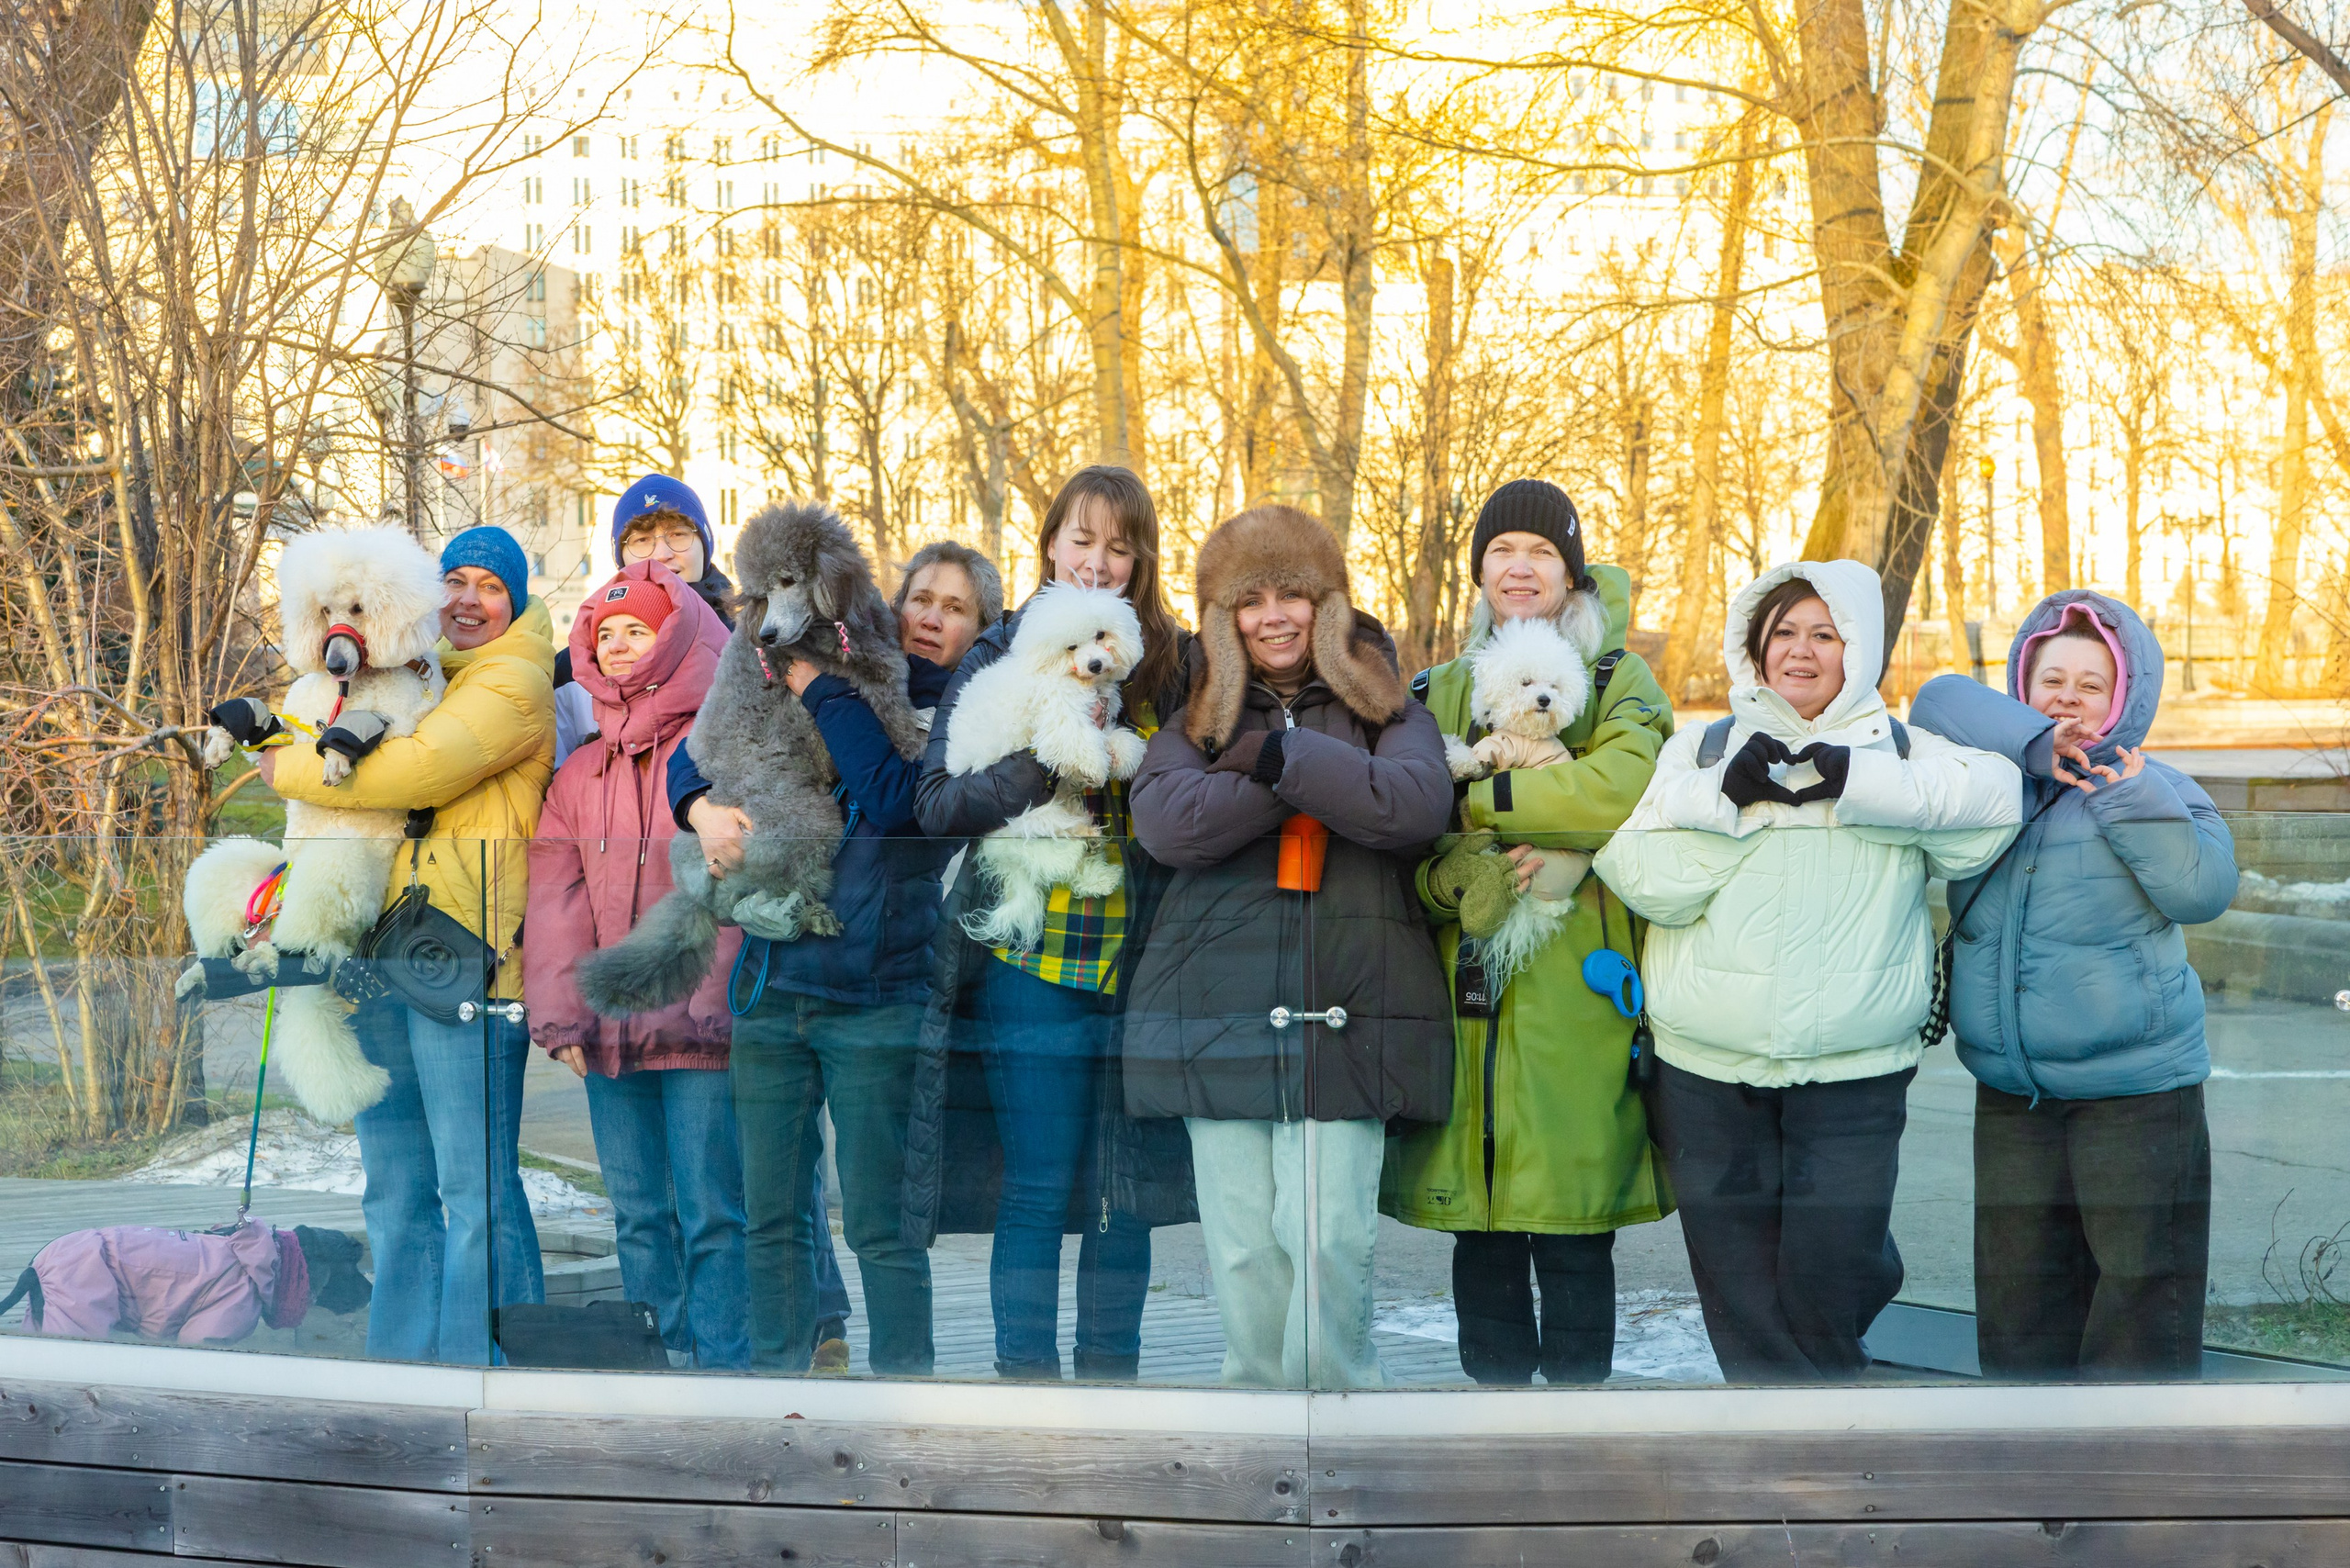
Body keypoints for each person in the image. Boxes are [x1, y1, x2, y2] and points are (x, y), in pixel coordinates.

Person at [1594, 561, 2020, 1382]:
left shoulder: (1902, 752)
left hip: (1855, 1070)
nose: (1801, 650)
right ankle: (1798, 1434)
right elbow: (1643, 880)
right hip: (1707, 1069)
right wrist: (1734, 805)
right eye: (1783, 632)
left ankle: (1822, 1414)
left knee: (1834, 1266)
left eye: (1825, 634)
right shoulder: (1701, 750)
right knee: (1740, 1287)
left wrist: (1857, 784)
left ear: (1856, 650)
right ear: (1754, 649)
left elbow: (1996, 809)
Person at [1124, 504, 1455, 1388]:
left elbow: (1417, 805)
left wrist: (1277, 759)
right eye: (1250, 600)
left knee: (1328, 1235)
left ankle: (1345, 1410)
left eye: (1293, 595)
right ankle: (1255, 1416)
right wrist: (1309, 775)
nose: (1273, 617)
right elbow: (1169, 824)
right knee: (1242, 1248)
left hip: (1347, 1012)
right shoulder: (1194, 717)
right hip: (1216, 1012)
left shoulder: (1387, 705)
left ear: (1329, 603)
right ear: (1222, 619)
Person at [668, 537, 1001, 1375]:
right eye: (920, 598)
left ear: (980, 628)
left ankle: (903, 1393)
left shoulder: (967, 717)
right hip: (774, 986)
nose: (931, 617)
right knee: (771, 1216)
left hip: (877, 999)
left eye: (955, 608)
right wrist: (699, 809)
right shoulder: (832, 669)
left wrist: (820, 689)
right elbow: (697, 748)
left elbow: (892, 801)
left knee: (882, 1224)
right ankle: (779, 1392)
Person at [1381, 479, 1674, 1385]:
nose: (1520, 566)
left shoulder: (1617, 680)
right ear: (1479, 570)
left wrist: (1478, 799)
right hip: (1465, 1000)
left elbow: (1614, 792)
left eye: (1542, 552)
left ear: (1570, 573)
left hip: (1577, 1002)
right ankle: (1493, 1417)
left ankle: (1578, 1429)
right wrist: (1447, 880)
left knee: (1575, 1226)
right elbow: (1402, 831)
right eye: (1502, 549)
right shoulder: (1435, 687)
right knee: (1481, 1232)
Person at [910, 466, 1196, 1382]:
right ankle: (1026, 1387)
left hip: (1142, 957)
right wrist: (1043, 763)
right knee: (1036, 1179)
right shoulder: (997, 651)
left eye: (1120, 546)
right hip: (1031, 952)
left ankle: (1113, 1380)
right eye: (1082, 539)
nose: (1098, 561)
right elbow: (934, 803)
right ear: (1048, 545)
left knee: (1124, 1194)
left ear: (1141, 561)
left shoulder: (1170, 663)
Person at [1908, 592, 2236, 1380]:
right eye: (2051, 680)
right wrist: (2032, 745)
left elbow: (2202, 890)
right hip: (2014, 1094)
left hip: (2137, 1093)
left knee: (2140, 1302)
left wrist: (2126, 796)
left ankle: (2135, 1458)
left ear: (2125, 699)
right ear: (2022, 688)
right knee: (2019, 1304)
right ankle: (2027, 1451)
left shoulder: (2161, 787)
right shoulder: (1992, 784)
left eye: (2093, 685)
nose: (2069, 700)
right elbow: (1935, 699)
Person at [257, 525, 554, 1363]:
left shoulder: (515, 681)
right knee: (393, 1187)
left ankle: (492, 1369)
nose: (468, 599)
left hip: (469, 961)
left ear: (516, 602)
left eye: (490, 586)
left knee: (473, 1186)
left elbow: (416, 771)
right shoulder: (415, 674)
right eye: (454, 580)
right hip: (386, 949)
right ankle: (402, 1367)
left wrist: (282, 763)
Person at [526, 560, 749, 1369]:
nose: (617, 646)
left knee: (713, 1212)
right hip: (611, 1034)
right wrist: (561, 1019)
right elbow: (556, 902)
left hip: (702, 1031)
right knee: (638, 1215)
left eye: (638, 631)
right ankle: (658, 1370)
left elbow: (743, 890)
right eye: (606, 634)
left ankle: (723, 1368)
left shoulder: (720, 754)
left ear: (678, 640)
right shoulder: (580, 772)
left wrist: (721, 1002)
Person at [554, 474, 734, 767]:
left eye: (678, 534)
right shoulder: (575, 669)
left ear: (705, 544)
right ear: (621, 557)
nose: (662, 554)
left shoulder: (754, 647)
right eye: (641, 540)